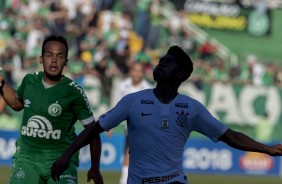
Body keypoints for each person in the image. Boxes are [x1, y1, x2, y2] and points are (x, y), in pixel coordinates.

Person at [51, 45, 282, 184]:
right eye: (162, 60)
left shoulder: (192, 108)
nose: (161, 63)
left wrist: (267, 148)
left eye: (168, 62)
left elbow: (229, 136)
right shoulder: (132, 101)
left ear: (180, 75)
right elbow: (95, 129)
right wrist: (66, 155)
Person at [0, 34, 103, 184]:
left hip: (61, 161)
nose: (54, 60)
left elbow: (92, 131)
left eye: (60, 56)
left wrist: (95, 167)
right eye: (49, 55)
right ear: (41, 59)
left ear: (66, 62)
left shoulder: (74, 92)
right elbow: (17, 104)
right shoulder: (30, 80)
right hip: (27, 159)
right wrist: (2, 84)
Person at [107, 62, 153, 184]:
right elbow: (116, 105)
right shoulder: (123, 86)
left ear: (143, 73)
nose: (137, 73)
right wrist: (111, 124)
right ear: (131, 71)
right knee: (128, 152)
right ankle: (124, 180)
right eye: (135, 70)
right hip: (131, 127)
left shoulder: (148, 89)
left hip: (145, 127)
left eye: (140, 71)